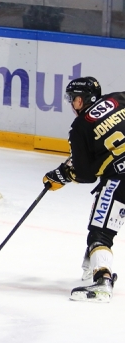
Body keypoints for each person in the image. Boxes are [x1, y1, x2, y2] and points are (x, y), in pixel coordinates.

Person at [43, 76, 125, 303]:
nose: (71, 104)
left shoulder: (80, 127)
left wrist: (64, 174)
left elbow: (86, 174)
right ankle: (91, 266)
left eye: (73, 99)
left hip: (121, 180)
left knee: (100, 234)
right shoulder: (119, 99)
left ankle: (102, 282)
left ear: (83, 99)